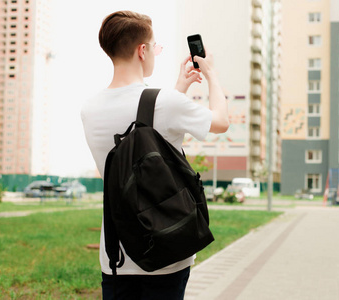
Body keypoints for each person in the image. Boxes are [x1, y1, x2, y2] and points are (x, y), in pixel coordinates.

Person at [80, 10, 229, 299]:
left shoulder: (89, 109)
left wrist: (180, 87)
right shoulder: (166, 102)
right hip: (168, 248)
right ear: (142, 50)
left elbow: (145, 142)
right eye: (155, 47)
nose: (155, 53)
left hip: (116, 255)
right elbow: (220, 121)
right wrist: (211, 74)